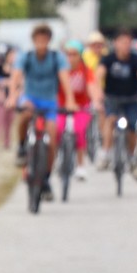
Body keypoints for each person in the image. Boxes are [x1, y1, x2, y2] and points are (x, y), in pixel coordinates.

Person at [7, 24, 76, 200]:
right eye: (38, 39)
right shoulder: (26, 56)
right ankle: (22, 146)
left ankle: (45, 178)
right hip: (30, 97)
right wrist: (13, 96)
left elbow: (64, 78)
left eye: (44, 39)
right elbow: (16, 76)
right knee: (25, 114)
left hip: (49, 101)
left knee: (52, 141)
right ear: (33, 40)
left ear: (49, 40)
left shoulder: (56, 58)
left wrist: (69, 99)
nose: (41, 42)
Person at [96, 28, 137, 169]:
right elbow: (98, 76)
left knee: (133, 126)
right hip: (112, 97)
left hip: (132, 99)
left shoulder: (136, 59)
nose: (125, 45)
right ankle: (106, 153)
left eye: (128, 42)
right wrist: (98, 93)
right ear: (115, 43)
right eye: (122, 42)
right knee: (110, 120)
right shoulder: (108, 58)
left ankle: (132, 156)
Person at [57, 40, 101, 180]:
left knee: (79, 130)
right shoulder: (59, 70)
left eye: (74, 54)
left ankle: (80, 165)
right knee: (57, 128)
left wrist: (95, 101)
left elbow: (91, 86)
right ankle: (59, 156)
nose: (70, 58)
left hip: (81, 107)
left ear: (80, 56)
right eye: (67, 54)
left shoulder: (85, 70)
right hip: (61, 107)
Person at [0, 45, 18, 151]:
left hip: (11, 96)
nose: (13, 57)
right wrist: (3, 85)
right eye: (11, 55)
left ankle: (7, 142)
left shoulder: (16, 68)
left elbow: (18, 82)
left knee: (9, 120)